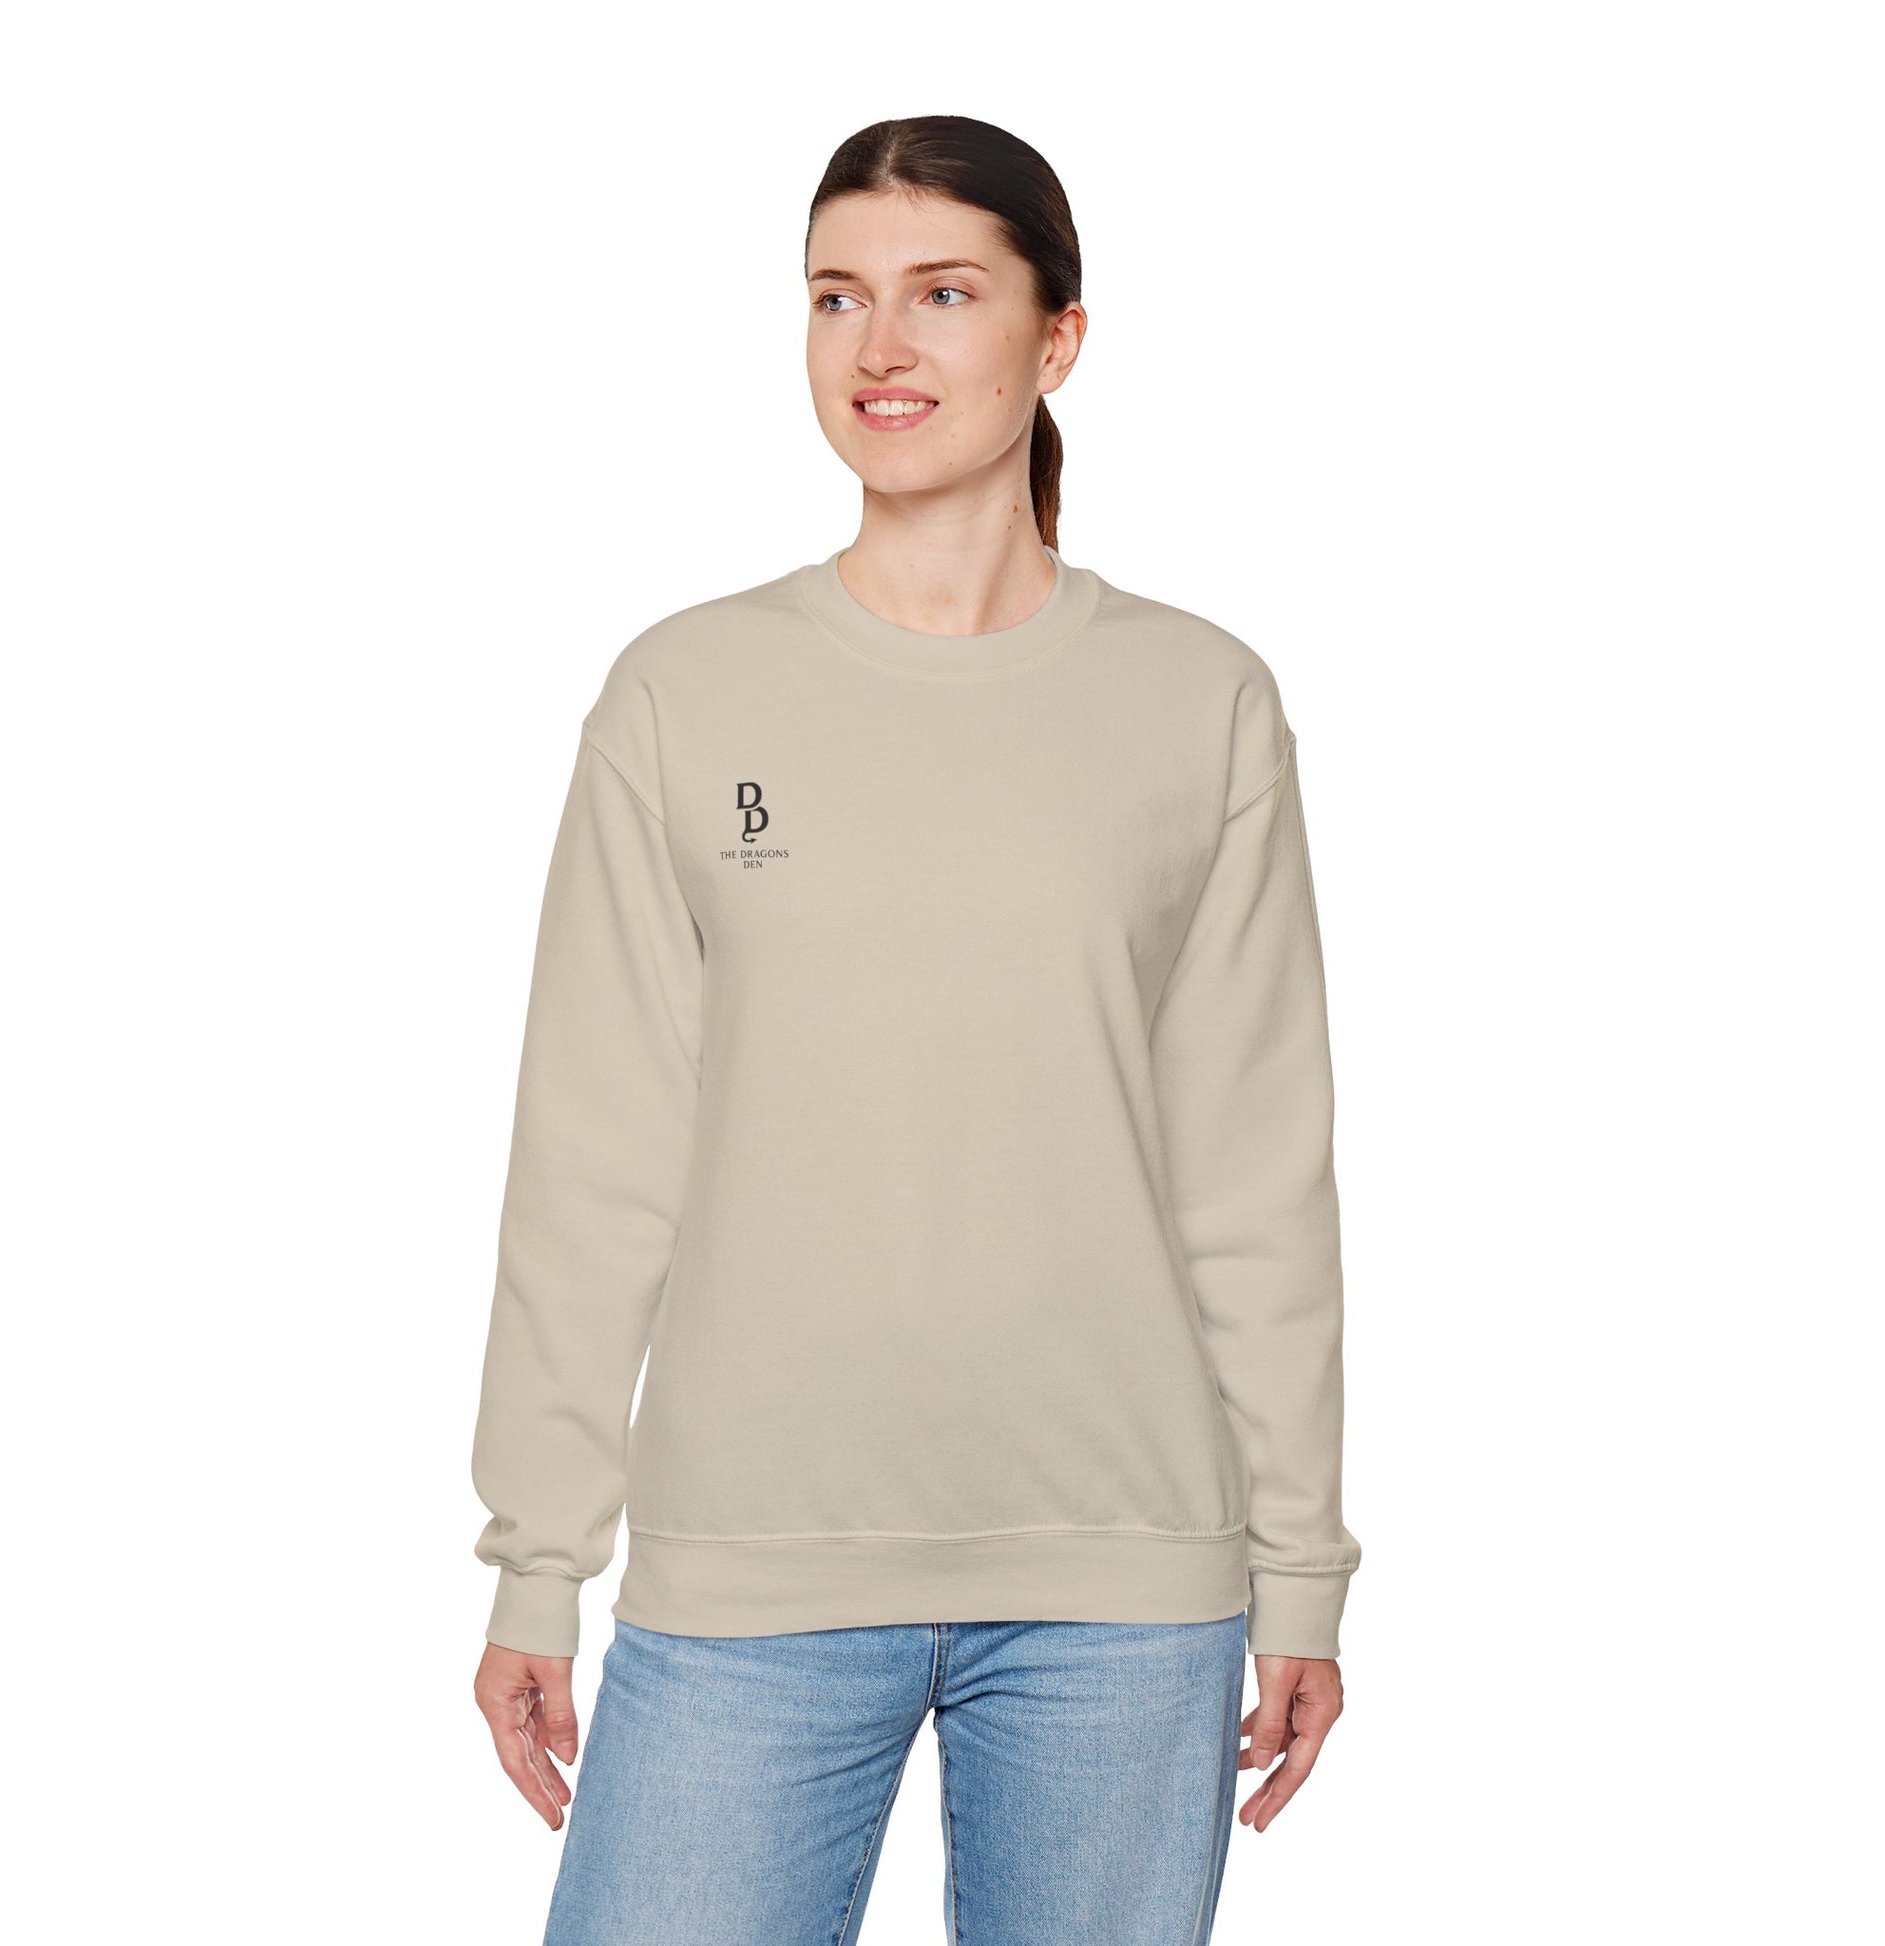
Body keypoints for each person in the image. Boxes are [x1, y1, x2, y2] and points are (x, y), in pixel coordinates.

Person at [469, 114, 1363, 1945]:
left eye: (942, 293)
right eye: (834, 297)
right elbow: (594, 1158)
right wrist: (539, 1553)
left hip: (1121, 1582)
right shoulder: (683, 691)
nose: (876, 346)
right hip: (750, 1566)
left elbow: (1252, 1172)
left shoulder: (1196, 701)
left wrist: (1299, 1568)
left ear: (1058, 338)